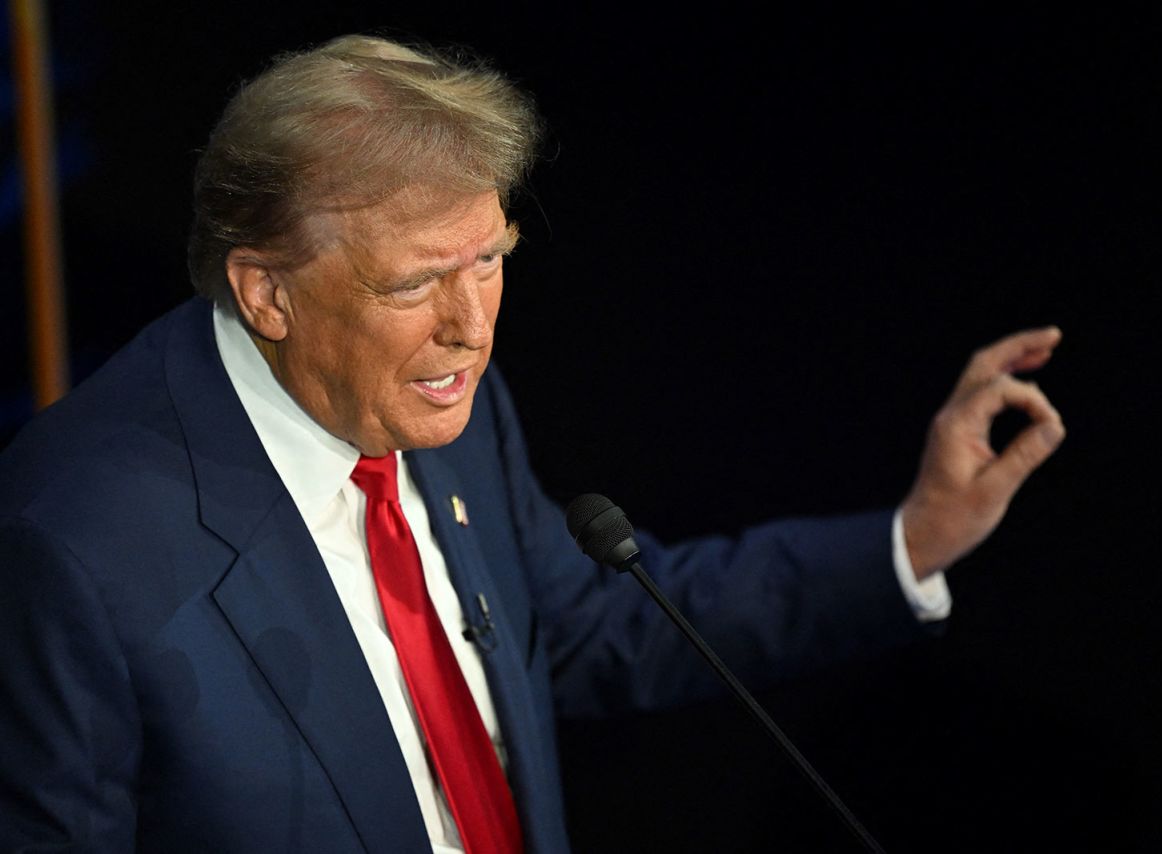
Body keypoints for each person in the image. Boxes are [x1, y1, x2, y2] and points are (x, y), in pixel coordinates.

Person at [0, 34, 1064, 853]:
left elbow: (586, 629)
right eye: (415, 281)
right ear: (266, 290)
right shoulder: (74, 546)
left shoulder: (440, 400)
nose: (470, 326)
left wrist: (914, 534)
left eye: (491, 259)